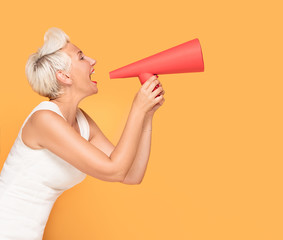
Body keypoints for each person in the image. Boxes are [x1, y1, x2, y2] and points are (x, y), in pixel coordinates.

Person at [0, 27, 165, 240]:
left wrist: (147, 115)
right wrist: (137, 109)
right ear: (64, 75)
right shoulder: (44, 120)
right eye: (81, 57)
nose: (92, 61)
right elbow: (114, 170)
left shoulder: (81, 121)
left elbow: (131, 175)